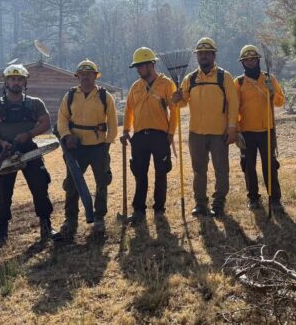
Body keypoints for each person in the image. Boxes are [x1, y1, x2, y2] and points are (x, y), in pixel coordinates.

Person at [0, 64, 57, 251]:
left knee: (40, 186)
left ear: (24, 82)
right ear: (6, 81)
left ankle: (46, 228)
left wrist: (29, 134)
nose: (16, 82)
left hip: (29, 149)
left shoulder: (35, 103)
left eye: (20, 79)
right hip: (5, 151)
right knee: (4, 193)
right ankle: (2, 236)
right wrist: (1, 142)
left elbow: (46, 122)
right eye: (12, 79)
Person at [171, 37, 239, 217]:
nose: (203, 57)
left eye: (207, 53)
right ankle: (200, 203)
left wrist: (232, 127)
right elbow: (183, 101)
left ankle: (218, 203)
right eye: (200, 54)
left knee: (221, 170)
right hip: (196, 134)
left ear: (213, 55)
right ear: (197, 57)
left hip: (219, 133)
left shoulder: (224, 77)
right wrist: (177, 99)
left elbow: (233, 104)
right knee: (199, 170)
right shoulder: (190, 78)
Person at [56, 59, 118, 238]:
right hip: (76, 148)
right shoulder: (70, 96)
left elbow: (112, 123)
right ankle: (71, 219)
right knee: (73, 184)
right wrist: (67, 136)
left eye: (89, 74)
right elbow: (62, 119)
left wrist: (107, 144)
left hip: (99, 147)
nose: (85, 78)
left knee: (102, 183)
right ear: (77, 77)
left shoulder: (105, 97)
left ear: (95, 76)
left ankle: (99, 218)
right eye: (82, 75)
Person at [120, 47, 178, 226]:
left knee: (161, 172)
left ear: (150, 64)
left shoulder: (167, 84)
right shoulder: (136, 87)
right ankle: (139, 210)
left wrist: (170, 133)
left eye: (140, 66)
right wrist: (125, 131)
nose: (138, 69)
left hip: (160, 136)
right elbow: (129, 109)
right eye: (136, 66)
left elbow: (174, 110)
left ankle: (159, 209)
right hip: (139, 137)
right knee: (139, 173)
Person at [234, 45, 286, 211]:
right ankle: (253, 198)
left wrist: (273, 93)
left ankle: (275, 198)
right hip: (247, 131)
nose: (250, 62)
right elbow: (234, 108)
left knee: (269, 165)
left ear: (258, 60)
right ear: (243, 63)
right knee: (248, 166)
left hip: (267, 130)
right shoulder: (239, 82)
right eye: (246, 60)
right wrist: (236, 131)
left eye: (253, 59)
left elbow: (280, 102)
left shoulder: (270, 79)